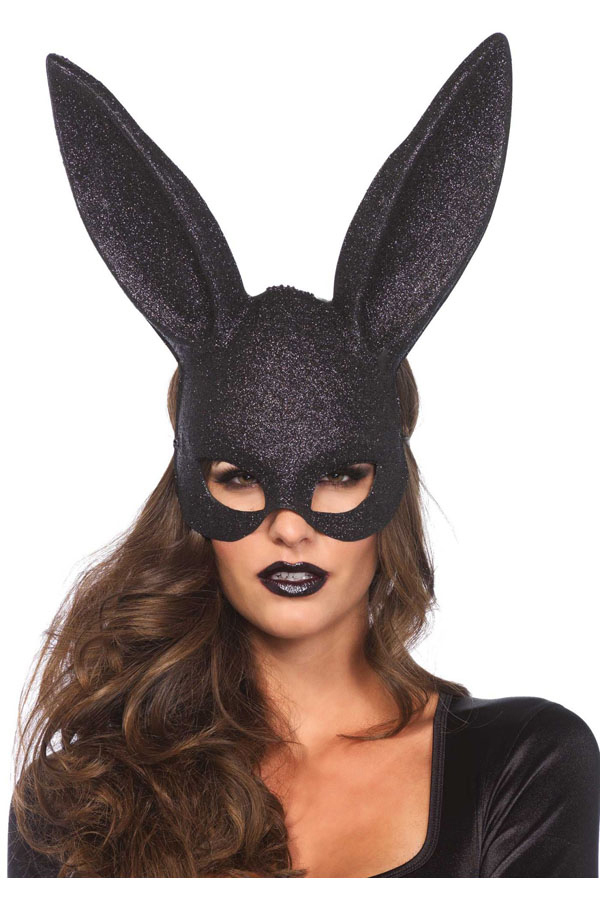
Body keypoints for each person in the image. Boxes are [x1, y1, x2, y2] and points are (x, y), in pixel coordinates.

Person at [8, 34, 600, 878]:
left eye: (338, 474)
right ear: (191, 495)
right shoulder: (84, 800)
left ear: (390, 487)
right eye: (240, 478)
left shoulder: (519, 766)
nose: (289, 528)